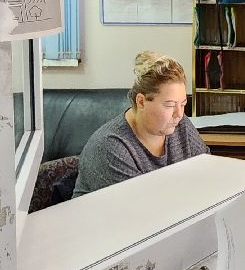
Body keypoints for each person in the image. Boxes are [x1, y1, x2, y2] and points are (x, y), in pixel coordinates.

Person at [72, 52, 207, 198]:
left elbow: (208, 174)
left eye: (183, 104)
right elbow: (139, 209)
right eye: (170, 105)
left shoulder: (181, 125)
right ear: (141, 102)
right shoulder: (110, 147)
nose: (179, 114)